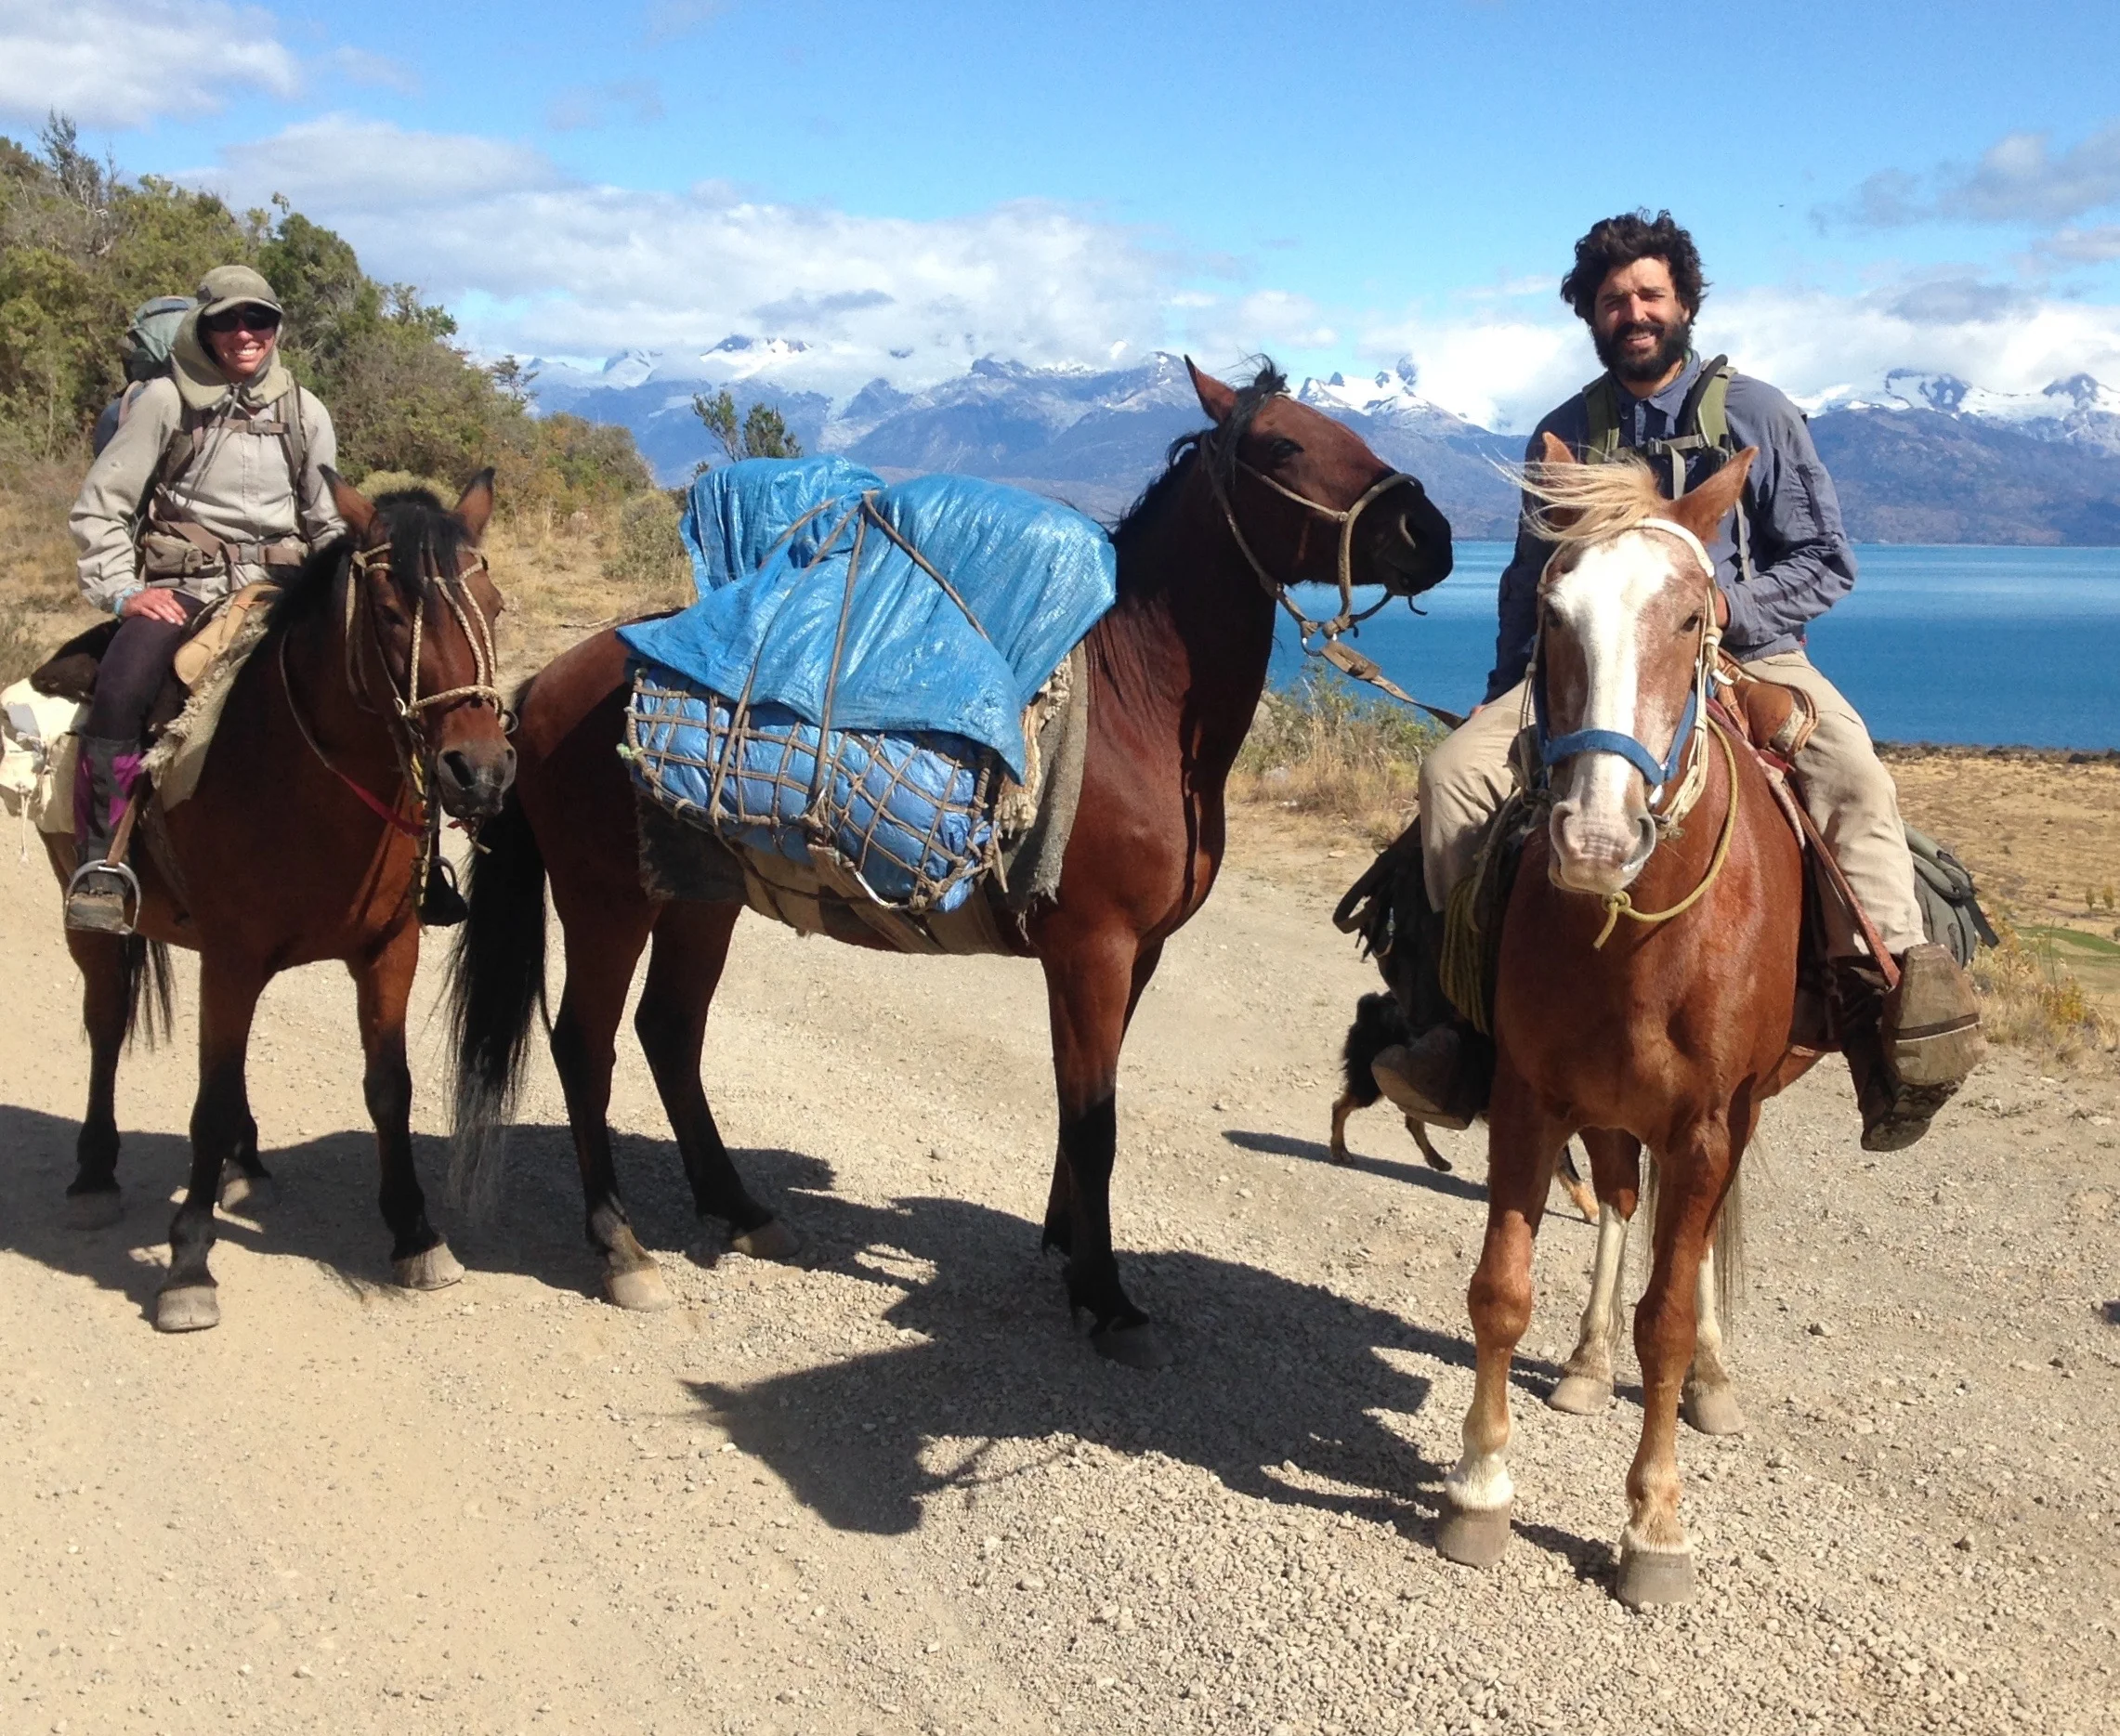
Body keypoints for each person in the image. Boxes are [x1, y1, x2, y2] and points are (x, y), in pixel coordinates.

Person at [1378, 210, 1983, 1152]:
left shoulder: (1760, 415)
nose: (1632, 311)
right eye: (1612, 298)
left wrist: (1717, 612)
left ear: (1685, 303)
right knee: (1452, 774)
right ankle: (1463, 1020)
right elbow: (1527, 584)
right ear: (1587, 312)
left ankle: (1884, 1011)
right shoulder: (1562, 434)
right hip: (1582, 662)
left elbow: (1825, 559)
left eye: (1649, 294)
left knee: (1851, 775)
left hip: (1745, 650)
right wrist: (1510, 691)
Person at [64, 264, 344, 931]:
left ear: (277, 327)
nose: (244, 334)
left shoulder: (304, 409)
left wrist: (338, 585)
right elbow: (100, 508)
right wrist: (125, 592)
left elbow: (327, 518)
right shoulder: (165, 403)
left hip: (281, 590)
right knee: (123, 687)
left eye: (259, 320)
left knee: (384, 676)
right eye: (227, 321)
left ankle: (415, 862)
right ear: (204, 328)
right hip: (182, 590)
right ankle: (102, 865)